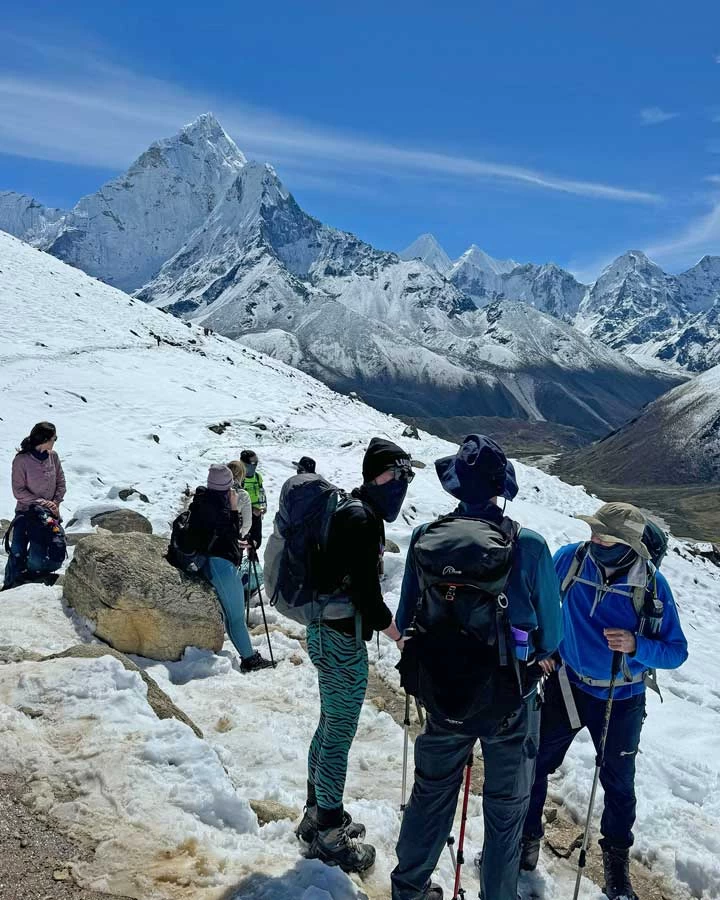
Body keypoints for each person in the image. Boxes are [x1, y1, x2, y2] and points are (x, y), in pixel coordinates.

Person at [391, 435, 563, 900]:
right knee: (507, 809)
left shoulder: (424, 539)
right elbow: (553, 635)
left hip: (443, 691)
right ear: (498, 488)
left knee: (431, 793)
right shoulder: (526, 544)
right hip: (510, 694)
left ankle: (408, 889)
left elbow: (406, 617)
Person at [520, 502, 688, 900]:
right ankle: (526, 840)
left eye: (604, 535)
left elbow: (676, 651)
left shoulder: (651, 584)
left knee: (618, 784)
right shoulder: (571, 559)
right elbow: (538, 602)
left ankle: (616, 861)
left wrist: (636, 646)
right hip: (568, 684)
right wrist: (542, 647)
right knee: (535, 763)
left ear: (628, 543)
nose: (595, 538)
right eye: (594, 530)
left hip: (622, 696)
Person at [296, 438, 410, 873]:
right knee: (340, 732)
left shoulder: (352, 510)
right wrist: (396, 633)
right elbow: (366, 592)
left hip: (327, 631)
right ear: (380, 475)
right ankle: (328, 832)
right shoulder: (361, 520)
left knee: (329, 724)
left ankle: (315, 813)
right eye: (399, 476)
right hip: (341, 638)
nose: (402, 485)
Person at [185, 464, 272, 673]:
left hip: (207, 562)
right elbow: (232, 534)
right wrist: (234, 509)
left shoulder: (202, 500)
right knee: (235, 616)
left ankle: (248, 655)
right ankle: (250, 659)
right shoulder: (222, 507)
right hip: (221, 565)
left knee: (231, 614)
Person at [3, 422, 66, 591]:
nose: (55, 441)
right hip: (25, 512)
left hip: (48, 514)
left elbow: (61, 482)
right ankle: (9, 586)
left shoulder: (53, 457)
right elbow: (18, 491)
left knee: (45, 550)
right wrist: (41, 502)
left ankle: (32, 584)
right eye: (54, 438)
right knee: (17, 550)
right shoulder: (21, 460)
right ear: (45, 439)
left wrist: (56, 503)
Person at [240, 449, 266, 549]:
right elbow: (237, 499)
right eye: (252, 463)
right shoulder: (240, 478)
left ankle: (252, 558)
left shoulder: (257, 477)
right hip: (243, 515)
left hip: (256, 514)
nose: (254, 465)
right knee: (241, 543)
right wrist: (252, 509)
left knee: (255, 542)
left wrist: (263, 506)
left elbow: (261, 491)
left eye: (256, 462)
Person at [227, 460, 253, 545]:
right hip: (233, 539)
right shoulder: (243, 495)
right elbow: (247, 523)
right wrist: (241, 535)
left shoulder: (215, 489)